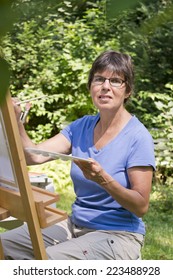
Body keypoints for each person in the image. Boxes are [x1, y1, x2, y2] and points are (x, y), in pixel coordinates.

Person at [0, 50, 155, 260]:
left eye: (116, 81)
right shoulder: (81, 126)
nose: (105, 86)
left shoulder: (138, 137)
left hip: (119, 235)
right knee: (4, 245)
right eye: (99, 79)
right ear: (91, 86)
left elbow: (141, 206)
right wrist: (15, 120)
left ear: (127, 90)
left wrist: (103, 180)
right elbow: (33, 156)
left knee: (45, 264)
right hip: (75, 225)